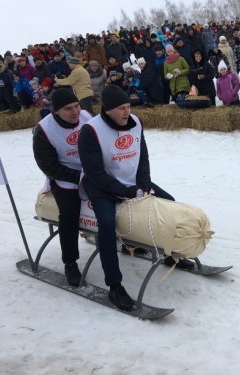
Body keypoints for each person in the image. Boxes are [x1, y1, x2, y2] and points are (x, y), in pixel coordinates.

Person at [78, 85, 192, 311]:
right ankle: (115, 286)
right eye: (121, 108)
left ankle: (169, 254)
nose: (126, 112)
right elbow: (94, 172)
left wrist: (144, 182)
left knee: (168, 202)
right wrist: (123, 191)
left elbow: (143, 156)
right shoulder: (90, 131)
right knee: (108, 225)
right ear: (108, 110)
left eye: (129, 106)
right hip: (101, 186)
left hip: (130, 179)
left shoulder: (136, 122)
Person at [32, 88, 93, 287]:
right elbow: (49, 167)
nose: (75, 111)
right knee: (69, 213)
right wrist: (80, 177)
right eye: (68, 108)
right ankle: (70, 262)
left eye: (77, 106)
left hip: (92, 170)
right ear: (55, 111)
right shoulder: (44, 130)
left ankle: (129, 241)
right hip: (64, 177)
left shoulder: (86, 116)